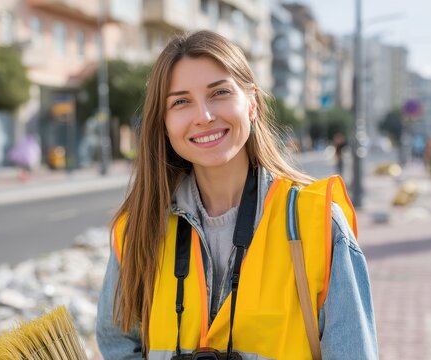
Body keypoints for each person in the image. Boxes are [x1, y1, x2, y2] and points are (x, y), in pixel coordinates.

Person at [96, 30, 378, 360]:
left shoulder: (318, 224)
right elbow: (117, 346)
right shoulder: (137, 230)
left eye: (219, 93)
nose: (203, 116)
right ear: (164, 122)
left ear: (252, 104)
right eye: (181, 102)